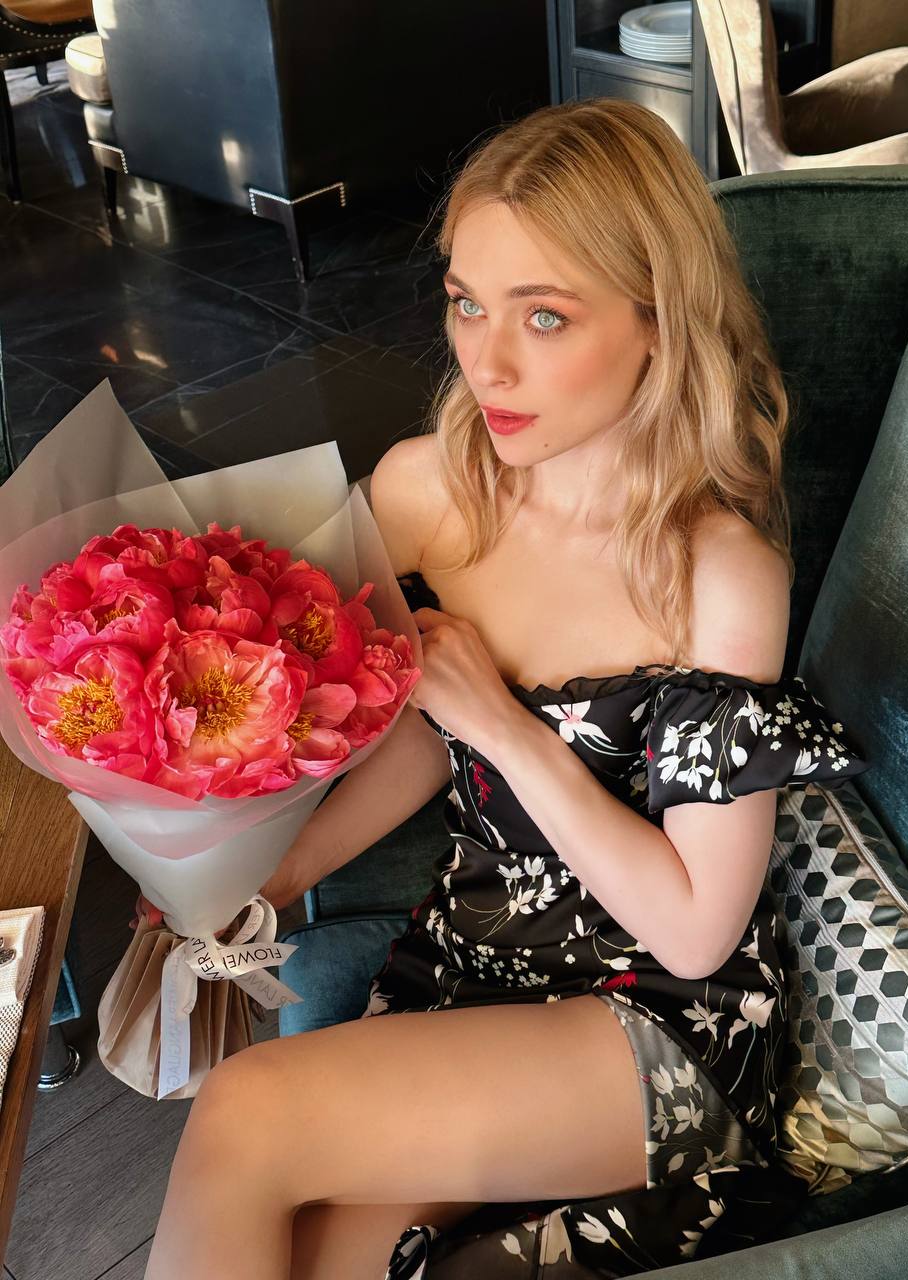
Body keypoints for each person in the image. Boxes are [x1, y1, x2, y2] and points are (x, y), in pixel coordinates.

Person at [145, 97, 870, 1279]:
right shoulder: (425, 492)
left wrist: (503, 723)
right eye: (467, 301)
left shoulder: (720, 572)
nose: (487, 361)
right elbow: (423, 739)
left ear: (658, 323)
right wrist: (262, 879)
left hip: (656, 1024)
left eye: (545, 315)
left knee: (245, 1109)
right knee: (317, 1256)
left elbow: (696, 928)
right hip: (471, 966)